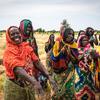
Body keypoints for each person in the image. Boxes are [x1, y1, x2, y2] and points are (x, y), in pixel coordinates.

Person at [3, 26, 55, 100]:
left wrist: (48, 76)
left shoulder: (26, 47)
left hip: (28, 84)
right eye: (12, 34)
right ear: (8, 37)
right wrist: (35, 82)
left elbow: (37, 62)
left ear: (20, 34)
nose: (16, 35)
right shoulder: (8, 51)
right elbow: (18, 69)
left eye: (17, 33)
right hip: (14, 87)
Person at [51, 28, 79, 99]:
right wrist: (61, 53)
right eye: (69, 34)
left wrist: (70, 54)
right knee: (58, 91)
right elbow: (54, 57)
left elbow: (76, 61)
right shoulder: (58, 43)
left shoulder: (74, 45)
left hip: (70, 73)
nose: (71, 36)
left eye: (72, 34)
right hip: (59, 73)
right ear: (64, 35)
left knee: (69, 90)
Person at [76, 35, 97, 99]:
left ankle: (90, 96)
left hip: (89, 70)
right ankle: (80, 96)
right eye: (83, 40)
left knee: (90, 82)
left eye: (86, 40)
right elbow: (76, 59)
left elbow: (94, 57)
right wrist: (83, 54)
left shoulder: (90, 48)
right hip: (81, 70)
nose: (85, 41)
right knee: (82, 82)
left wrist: (92, 54)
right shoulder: (77, 49)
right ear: (80, 41)